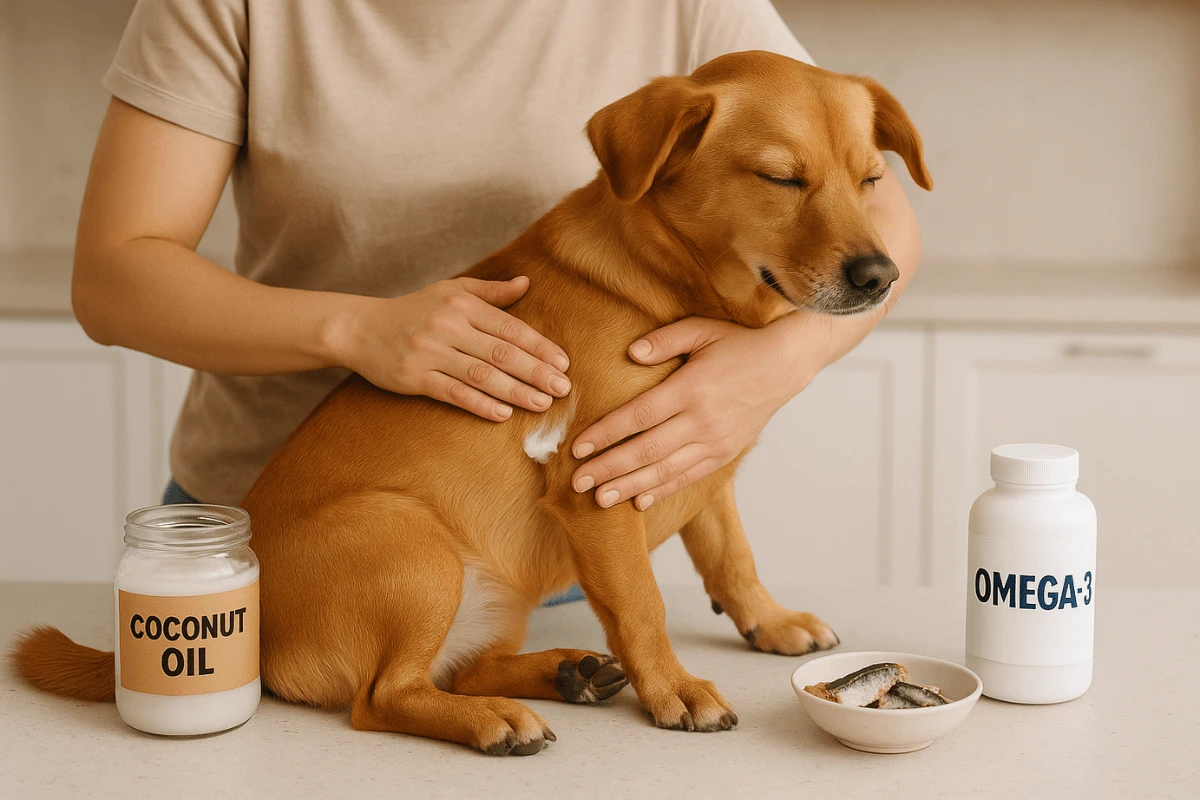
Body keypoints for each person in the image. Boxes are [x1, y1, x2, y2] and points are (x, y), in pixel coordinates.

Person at [73, 0, 921, 604]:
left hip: (548, 551)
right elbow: (114, 279)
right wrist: (356, 329)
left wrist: (781, 361)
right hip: (263, 528)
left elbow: (875, 210)